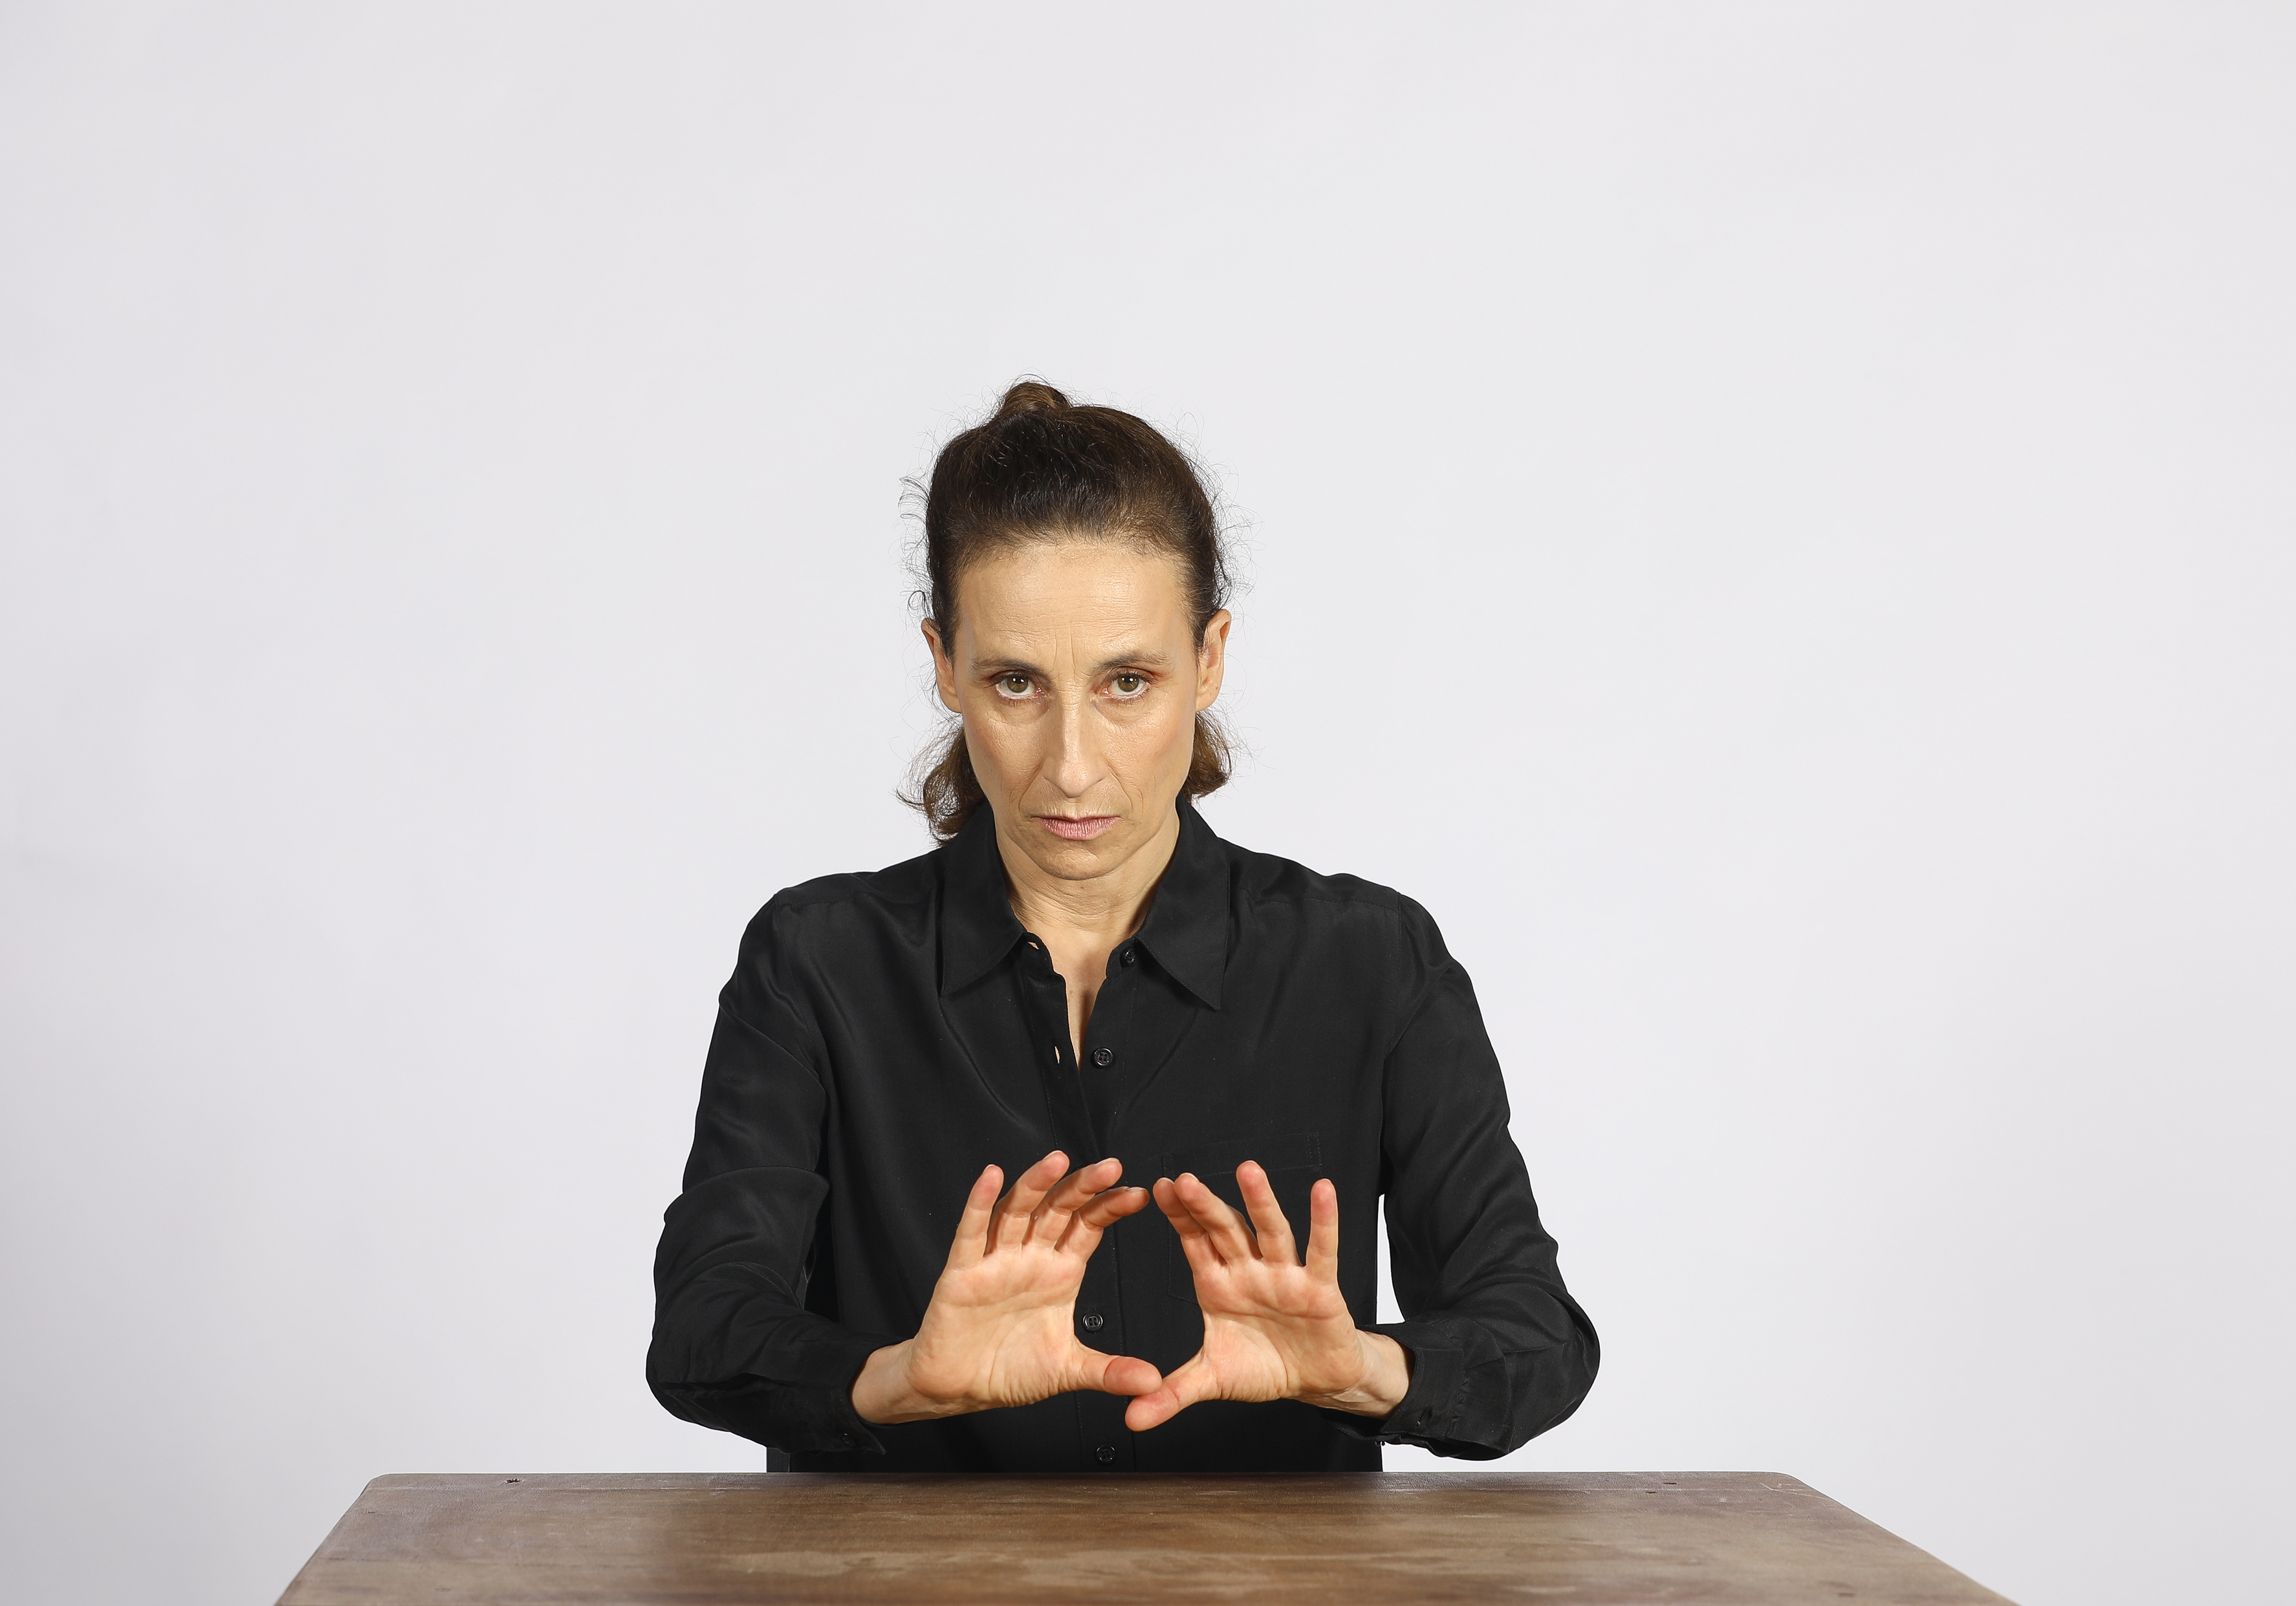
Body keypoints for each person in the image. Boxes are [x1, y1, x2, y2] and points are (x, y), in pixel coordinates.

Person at [645, 382, 1597, 1470]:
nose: (1072, 764)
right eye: (1015, 683)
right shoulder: (816, 962)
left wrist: (1359, 1371)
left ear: (1212, 658)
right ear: (944, 664)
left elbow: (1537, 1340)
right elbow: (704, 1330)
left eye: (1128, 682)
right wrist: (899, 1380)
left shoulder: (1371, 961)